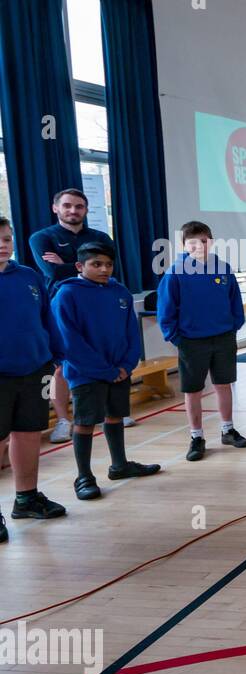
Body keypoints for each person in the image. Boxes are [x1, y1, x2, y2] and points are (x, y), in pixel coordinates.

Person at [52, 242, 162, 500]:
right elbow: (70, 341)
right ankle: (84, 477)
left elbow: (131, 334)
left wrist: (125, 365)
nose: (104, 269)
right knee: (85, 422)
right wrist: (103, 370)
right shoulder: (67, 294)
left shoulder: (120, 292)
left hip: (118, 371)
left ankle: (120, 465)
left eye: (108, 265)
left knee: (115, 416)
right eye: (96, 264)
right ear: (80, 266)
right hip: (87, 373)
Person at [156, 221, 246, 462]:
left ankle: (227, 429)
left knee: (224, 384)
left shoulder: (223, 268)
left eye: (204, 240)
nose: (199, 245)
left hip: (223, 338)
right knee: (193, 390)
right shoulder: (175, 273)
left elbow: (234, 302)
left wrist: (233, 327)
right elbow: (165, 311)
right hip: (191, 341)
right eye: (193, 242)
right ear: (183, 245)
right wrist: (177, 338)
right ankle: (196, 436)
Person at [28, 189, 117, 443]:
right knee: (60, 365)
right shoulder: (41, 237)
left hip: (98, 303)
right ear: (56, 208)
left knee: (101, 354)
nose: (73, 211)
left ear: (86, 210)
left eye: (79, 206)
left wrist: (64, 263)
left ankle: (106, 411)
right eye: (67, 206)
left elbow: (109, 270)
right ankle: (63, 420)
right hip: (60, 305)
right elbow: (51, 273)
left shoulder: (100, 237)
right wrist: (79, 266)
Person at [0, 216, 67, 542]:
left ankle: (26, 498)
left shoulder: (28, 276)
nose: (3, 245)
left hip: (36, 369)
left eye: (7, 239)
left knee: (28, 433)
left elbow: (46, 319)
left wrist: (55, 355)